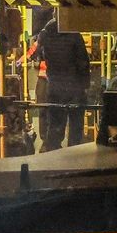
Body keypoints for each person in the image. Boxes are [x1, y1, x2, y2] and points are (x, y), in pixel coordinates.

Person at [33, 18, 90, 151]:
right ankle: (74, 155)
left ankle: (54, 154)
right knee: (75, 127)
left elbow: (38, 55)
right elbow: (83, 62)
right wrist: (85, 84)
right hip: (74, 85)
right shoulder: (74, 34)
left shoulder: (46, 34)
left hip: (55, 84)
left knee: (55, 126)